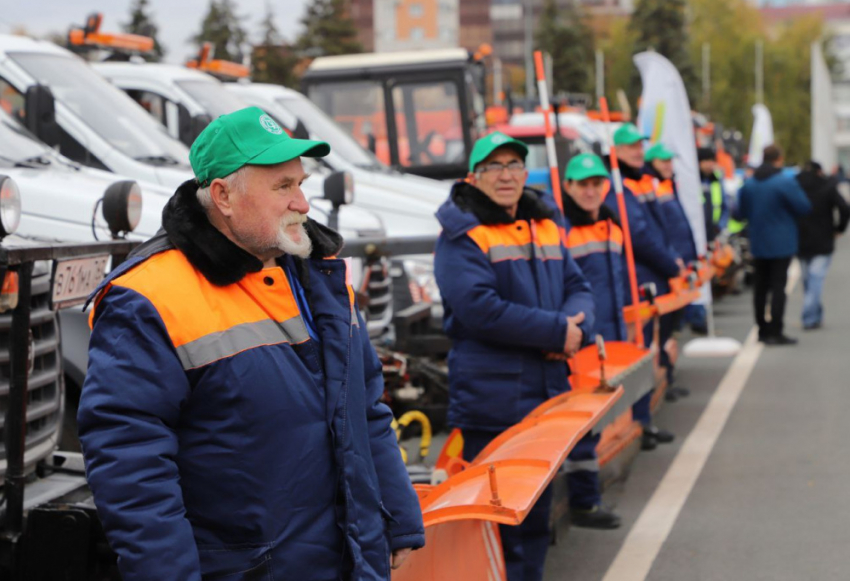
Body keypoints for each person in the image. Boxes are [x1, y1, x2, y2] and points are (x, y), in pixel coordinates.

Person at [78, 107, 425, 581]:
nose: (303, 203)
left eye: (300, 184)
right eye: (283, 187)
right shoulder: (148, 298)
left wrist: (396, 517)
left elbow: (364, 408)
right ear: (222, 195)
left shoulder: (316, 277)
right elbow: (132, 470)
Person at [434, 132, 596, 580]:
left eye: (514, 166)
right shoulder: (462, 233)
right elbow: (478, 310)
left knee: (535, 516)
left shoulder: (545, 223)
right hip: (495, 397)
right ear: (474, 176)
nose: (506, 175)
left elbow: (579, 286)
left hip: (546, 392)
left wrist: (574, 327)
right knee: (502, 519)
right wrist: (556, 331)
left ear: (526, 174)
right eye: (494, 167)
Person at [604, 124, 679, 446]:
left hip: (646, 275)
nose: (638, 151)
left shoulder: (637, 181)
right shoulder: (616, 185)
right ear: (616, 151)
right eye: (630, 147)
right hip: (634, 279)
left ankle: (641, 420)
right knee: (634, 352)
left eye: (639, 146)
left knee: (642, 350)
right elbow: (639, 234)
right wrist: (669, 264)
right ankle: (638, 423)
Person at [736, 144, 811, 345]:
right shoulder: (784, 182)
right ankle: (776, 331)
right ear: (779, 159)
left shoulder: (749, 184)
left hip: (758, 242)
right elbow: (804, 206)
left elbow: (740, 212)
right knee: (778, 287)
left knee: (760, 288)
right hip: (782, 243)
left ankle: (761, 329)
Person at [645, 143, 697, 395]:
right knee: (662, 330)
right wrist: (671, 261)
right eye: (662, 161)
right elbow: (658, 233)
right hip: (667, 268)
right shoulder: (652, 187)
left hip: (678, 266)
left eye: (669, 160)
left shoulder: (667, 185)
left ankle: (668, 378)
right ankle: (664, 380)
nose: (668, 165)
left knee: (671, 329)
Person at [795, 160, 850, 329]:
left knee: (807, 279)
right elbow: (845, 208)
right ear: (820, 171)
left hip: (800, 240)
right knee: (815, 279)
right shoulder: (827, 185)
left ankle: (813, 314)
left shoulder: (794, 186)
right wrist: (839, 229)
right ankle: (810, 317)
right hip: (823, 238)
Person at [698, 146, 729, 243]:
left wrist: (720, 226)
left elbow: (725, 206)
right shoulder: (694, 181)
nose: (710, 164)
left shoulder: (717, 180)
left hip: (714, 232)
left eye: (712, 160)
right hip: (698, 232)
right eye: (707, 160)